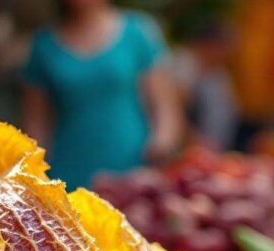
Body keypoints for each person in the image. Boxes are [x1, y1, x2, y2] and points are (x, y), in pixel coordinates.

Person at [22, 0, 182, 188]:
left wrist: (163, 140)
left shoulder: (137, 32)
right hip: (68, 170)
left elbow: (164, 104)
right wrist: (34, 172)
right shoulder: (44, 45)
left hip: (133, 166)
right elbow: (36, 120)